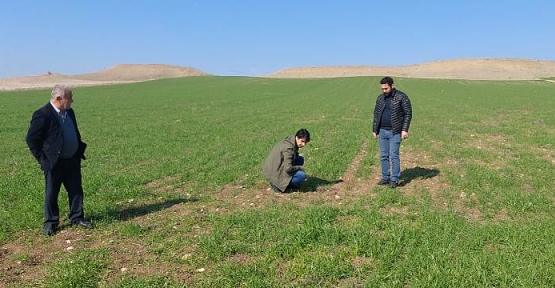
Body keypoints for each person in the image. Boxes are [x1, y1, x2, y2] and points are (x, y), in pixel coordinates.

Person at [26, 84, 92, 236]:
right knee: (52, 193)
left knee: (76, 190)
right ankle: (51, 223)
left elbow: (73, 131)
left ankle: (77, 217)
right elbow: (31, 139)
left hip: (72, 160)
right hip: (54, 162)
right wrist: (43, 160)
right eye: (69, 98)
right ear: (58, 98)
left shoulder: (69, 112)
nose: (72, 101)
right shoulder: (42, 115)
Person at [372, 77, 412, 188]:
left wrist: (404, 130)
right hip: (382, 131)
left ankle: (394, 179)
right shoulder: (380, 99)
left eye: (386, 88)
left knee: (394, 155)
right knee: (384, 156)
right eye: (382, 89)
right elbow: (376, 115)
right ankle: (385, 177)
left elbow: (408, 113)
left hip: (395, 131)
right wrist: (375, 129)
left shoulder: (401, 97)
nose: (384, 91)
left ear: (392, 86)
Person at [263, 129, 310, 193]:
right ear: (297, 137)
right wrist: (300, 168)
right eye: (302, 141)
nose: (303, 144)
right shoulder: (288, 148)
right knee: (302, 176)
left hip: (274, 167)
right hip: (275, 172)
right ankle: (277, 185)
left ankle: (287, 183)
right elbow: (288, 168)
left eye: (305, 142)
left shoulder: (290, 140)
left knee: (300, 159)